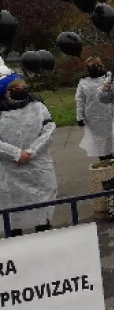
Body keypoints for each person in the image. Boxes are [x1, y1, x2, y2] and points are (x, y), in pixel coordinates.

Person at [0, 74, 56, 237]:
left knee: (41, 210)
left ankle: (43, 237)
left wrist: (32, 151)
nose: (22, 91)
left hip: (38, 168)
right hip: (10, 173)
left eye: (24, 87)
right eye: (17, 88)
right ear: (6, 91)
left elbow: (49, 129)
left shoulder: (37, 107)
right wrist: (16, 154)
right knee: (13, 214)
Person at [75, 57, 114, 163]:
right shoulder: (83, 81)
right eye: (89, 67)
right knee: (99, 141)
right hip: (93, 117)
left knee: (112, 139)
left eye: (94, 66)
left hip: (109, 114)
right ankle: (104, 164)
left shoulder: (108, 76)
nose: (92, 68)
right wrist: (79, 116)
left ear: (99, 65)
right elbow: (80, 99)